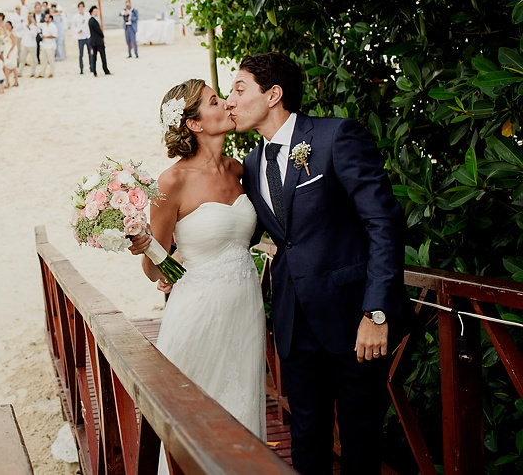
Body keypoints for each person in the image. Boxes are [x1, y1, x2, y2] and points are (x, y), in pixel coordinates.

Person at [224, 53, 406, 475]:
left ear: (274, 95)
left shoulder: (334, 136)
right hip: (293, 323)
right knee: (306, 436)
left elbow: (383, 222)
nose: (230, 100)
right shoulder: (251, 164)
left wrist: (376, 312)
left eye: (239, 88)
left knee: (360, 439)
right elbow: (249, 234)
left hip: (353, 320)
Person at [129, 79, 266, 474]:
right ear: (194, 124)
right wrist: (146, 246)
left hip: (245, 310)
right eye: (213, 101)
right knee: (191, 423)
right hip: (196, 314)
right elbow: (158, 267)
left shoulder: (241, 171)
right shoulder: (172, 182)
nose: (225, 102)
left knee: (241, 408)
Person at [87, 6, 111, 77]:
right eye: (95, 11)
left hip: (93, 41)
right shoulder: (92, 20)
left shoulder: (90, 20)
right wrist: (102, 36)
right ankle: (105, 70)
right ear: (91, 12)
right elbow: (98, 31)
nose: (96, 12)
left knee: (94, 57)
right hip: (98, 41)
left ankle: (94, 70)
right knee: (102, 56)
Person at [71, 1, 91, 75]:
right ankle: (81, 69)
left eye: (82, 7)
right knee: (81, 54)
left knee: (90, 53)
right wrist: (77, 31)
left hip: (88, 36)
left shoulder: (87, 15)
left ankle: (91, 67)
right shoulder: (75, 17)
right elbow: (73, 26)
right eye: (80, 7)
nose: (81, 8)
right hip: (80, 37)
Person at [2, 20, 19, 87]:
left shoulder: (12, 33)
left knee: (12, 66)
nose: (6, 26)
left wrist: (9, 52)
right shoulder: (7, 33)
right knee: (7, 66)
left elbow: (14, 44)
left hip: (11, 50)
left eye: (8, 25)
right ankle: (8, 81)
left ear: (11, 26)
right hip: (6, 49)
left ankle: (13, 81)